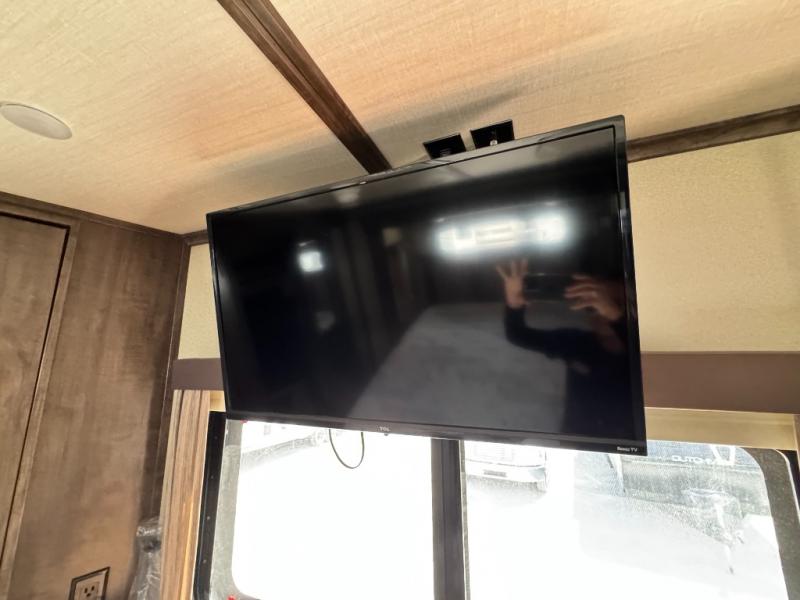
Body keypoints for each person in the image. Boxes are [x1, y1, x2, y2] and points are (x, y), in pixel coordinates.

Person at [495, 259, 630, 437]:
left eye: (614, 303)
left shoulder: (642, 351)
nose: (602, 311)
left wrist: (618, 318)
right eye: (593, 304)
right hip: (576, 441)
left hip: (630, 444)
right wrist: (514, 304)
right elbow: (518, 335)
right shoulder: (576, 342)